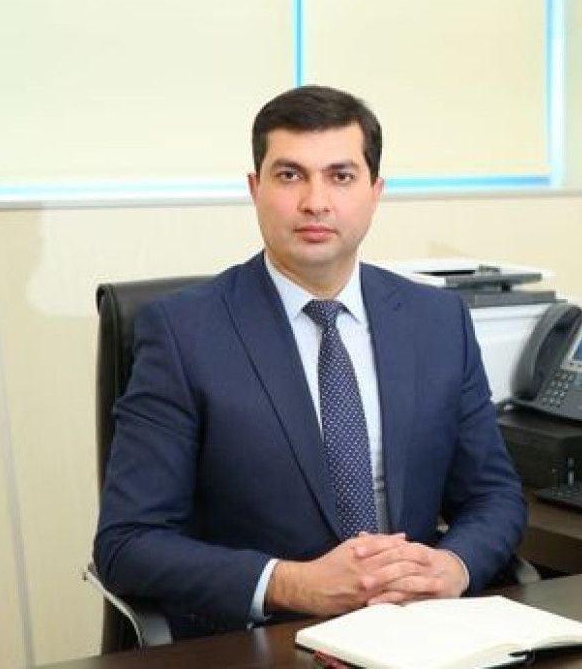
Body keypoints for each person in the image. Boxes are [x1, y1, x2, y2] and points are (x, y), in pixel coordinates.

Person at [93, 85, 527, 639]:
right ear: (255, 189)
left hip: (414, 634)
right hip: (264, 640)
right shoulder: (184, 333)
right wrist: (292, 584)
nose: (316, 202)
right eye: (290, 175)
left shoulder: (438, 321)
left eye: (341, 176)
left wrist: (453, 567)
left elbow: (493, 496)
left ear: (375, 191)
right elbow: (128, 543)